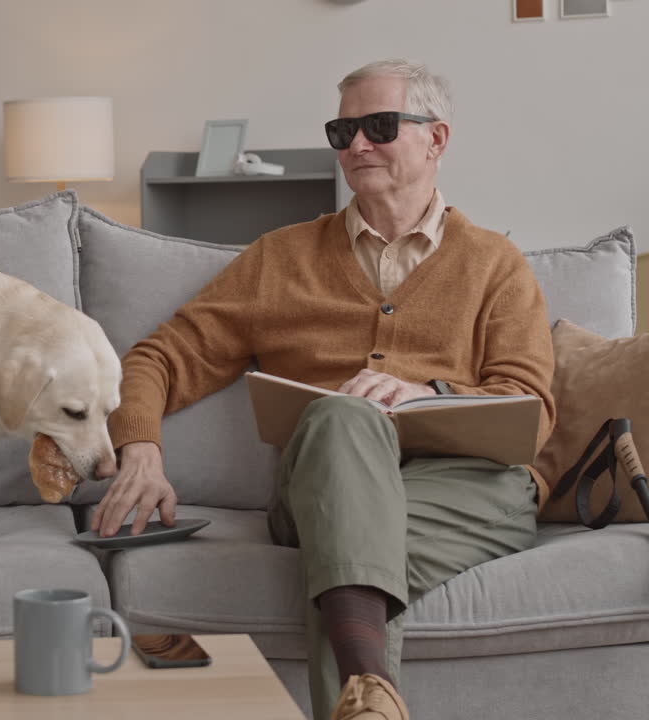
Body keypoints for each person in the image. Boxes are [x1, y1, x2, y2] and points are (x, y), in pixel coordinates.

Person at [91, 59, 555, 720]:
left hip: (473, 491)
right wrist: (140, 449)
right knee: (341, 417)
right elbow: (158, 357)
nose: (356, 145)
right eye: (343, 131)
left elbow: (531, 411)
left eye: (379, 126)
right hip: (321, 485)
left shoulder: (495, 266)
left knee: (345, 550)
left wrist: (421, 392)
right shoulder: (279, 259)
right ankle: (368, 688)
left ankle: (361, 701)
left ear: (437, 138)